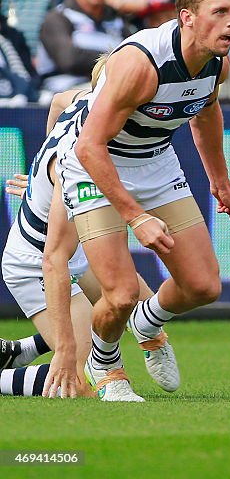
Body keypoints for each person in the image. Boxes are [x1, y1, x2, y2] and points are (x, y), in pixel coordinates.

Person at [54, 0, 230, 401]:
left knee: (203, 286)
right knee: (120, 294)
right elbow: (89, 147)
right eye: (220, 12)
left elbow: (206, 114)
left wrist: (221, 181)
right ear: (187, 18)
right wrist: (135, 216)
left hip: (155, 162)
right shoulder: (141, 64)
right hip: (94, 165)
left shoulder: (217, 61)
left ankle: (147, 322)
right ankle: (104, 361)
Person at [0, 58, 178, 398]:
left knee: (139, 307)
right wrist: (53, 178)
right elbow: (54, 262)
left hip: (75, 245)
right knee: (78, 382)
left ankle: (23, 348)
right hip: (35, 263)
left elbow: (57, 100)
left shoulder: (88, 99)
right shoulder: (79, 158)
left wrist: (41, 174)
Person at [36, 0, 126, 93]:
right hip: (62, 94)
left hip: (109, 90)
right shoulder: (57, 18)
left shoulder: (118, 21)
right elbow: (68, 59)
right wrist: (119, 60)